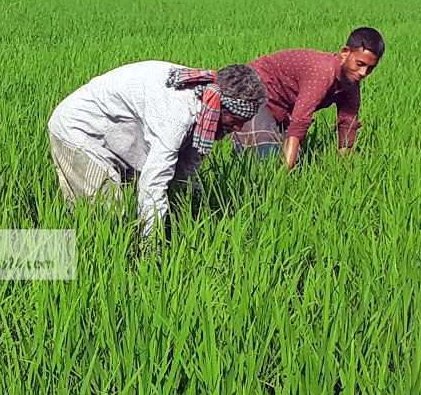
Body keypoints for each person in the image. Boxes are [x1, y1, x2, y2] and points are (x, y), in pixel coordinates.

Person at [48, 61, 266, 237]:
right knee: (108, 217)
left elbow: (186, 167)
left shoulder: (205, 103)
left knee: (131, 210)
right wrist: (152, 246)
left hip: (118, 134)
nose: (238, 128)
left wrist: (193, 203)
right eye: (235, 119)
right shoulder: (176, 115)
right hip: (79, 130)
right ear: (218, 105)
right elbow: (153, 186)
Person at [233, 27, 385, 168]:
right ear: (345, 53)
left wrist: (348, 168)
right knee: (265, 157)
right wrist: (285, 174)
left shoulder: (351, 83)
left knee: (295, 158)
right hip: (251, 91)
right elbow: (300, 120)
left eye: (370, 68)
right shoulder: (322, 72)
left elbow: (348, 123)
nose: (363, 73)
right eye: (360, 64)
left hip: (279, 106)